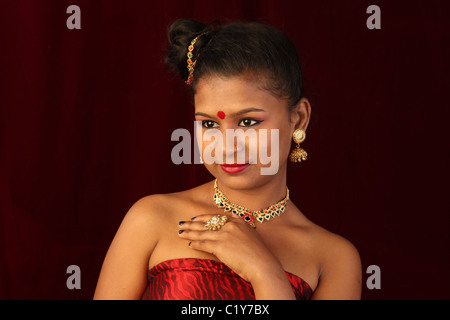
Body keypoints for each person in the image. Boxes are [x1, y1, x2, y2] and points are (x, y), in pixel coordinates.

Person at [94, 19, 362, 300]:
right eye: (209, 124)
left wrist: (266, 271)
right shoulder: (151, 218)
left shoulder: (333, 258)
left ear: (299, 118)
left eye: (247, 121)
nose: (226, 147)